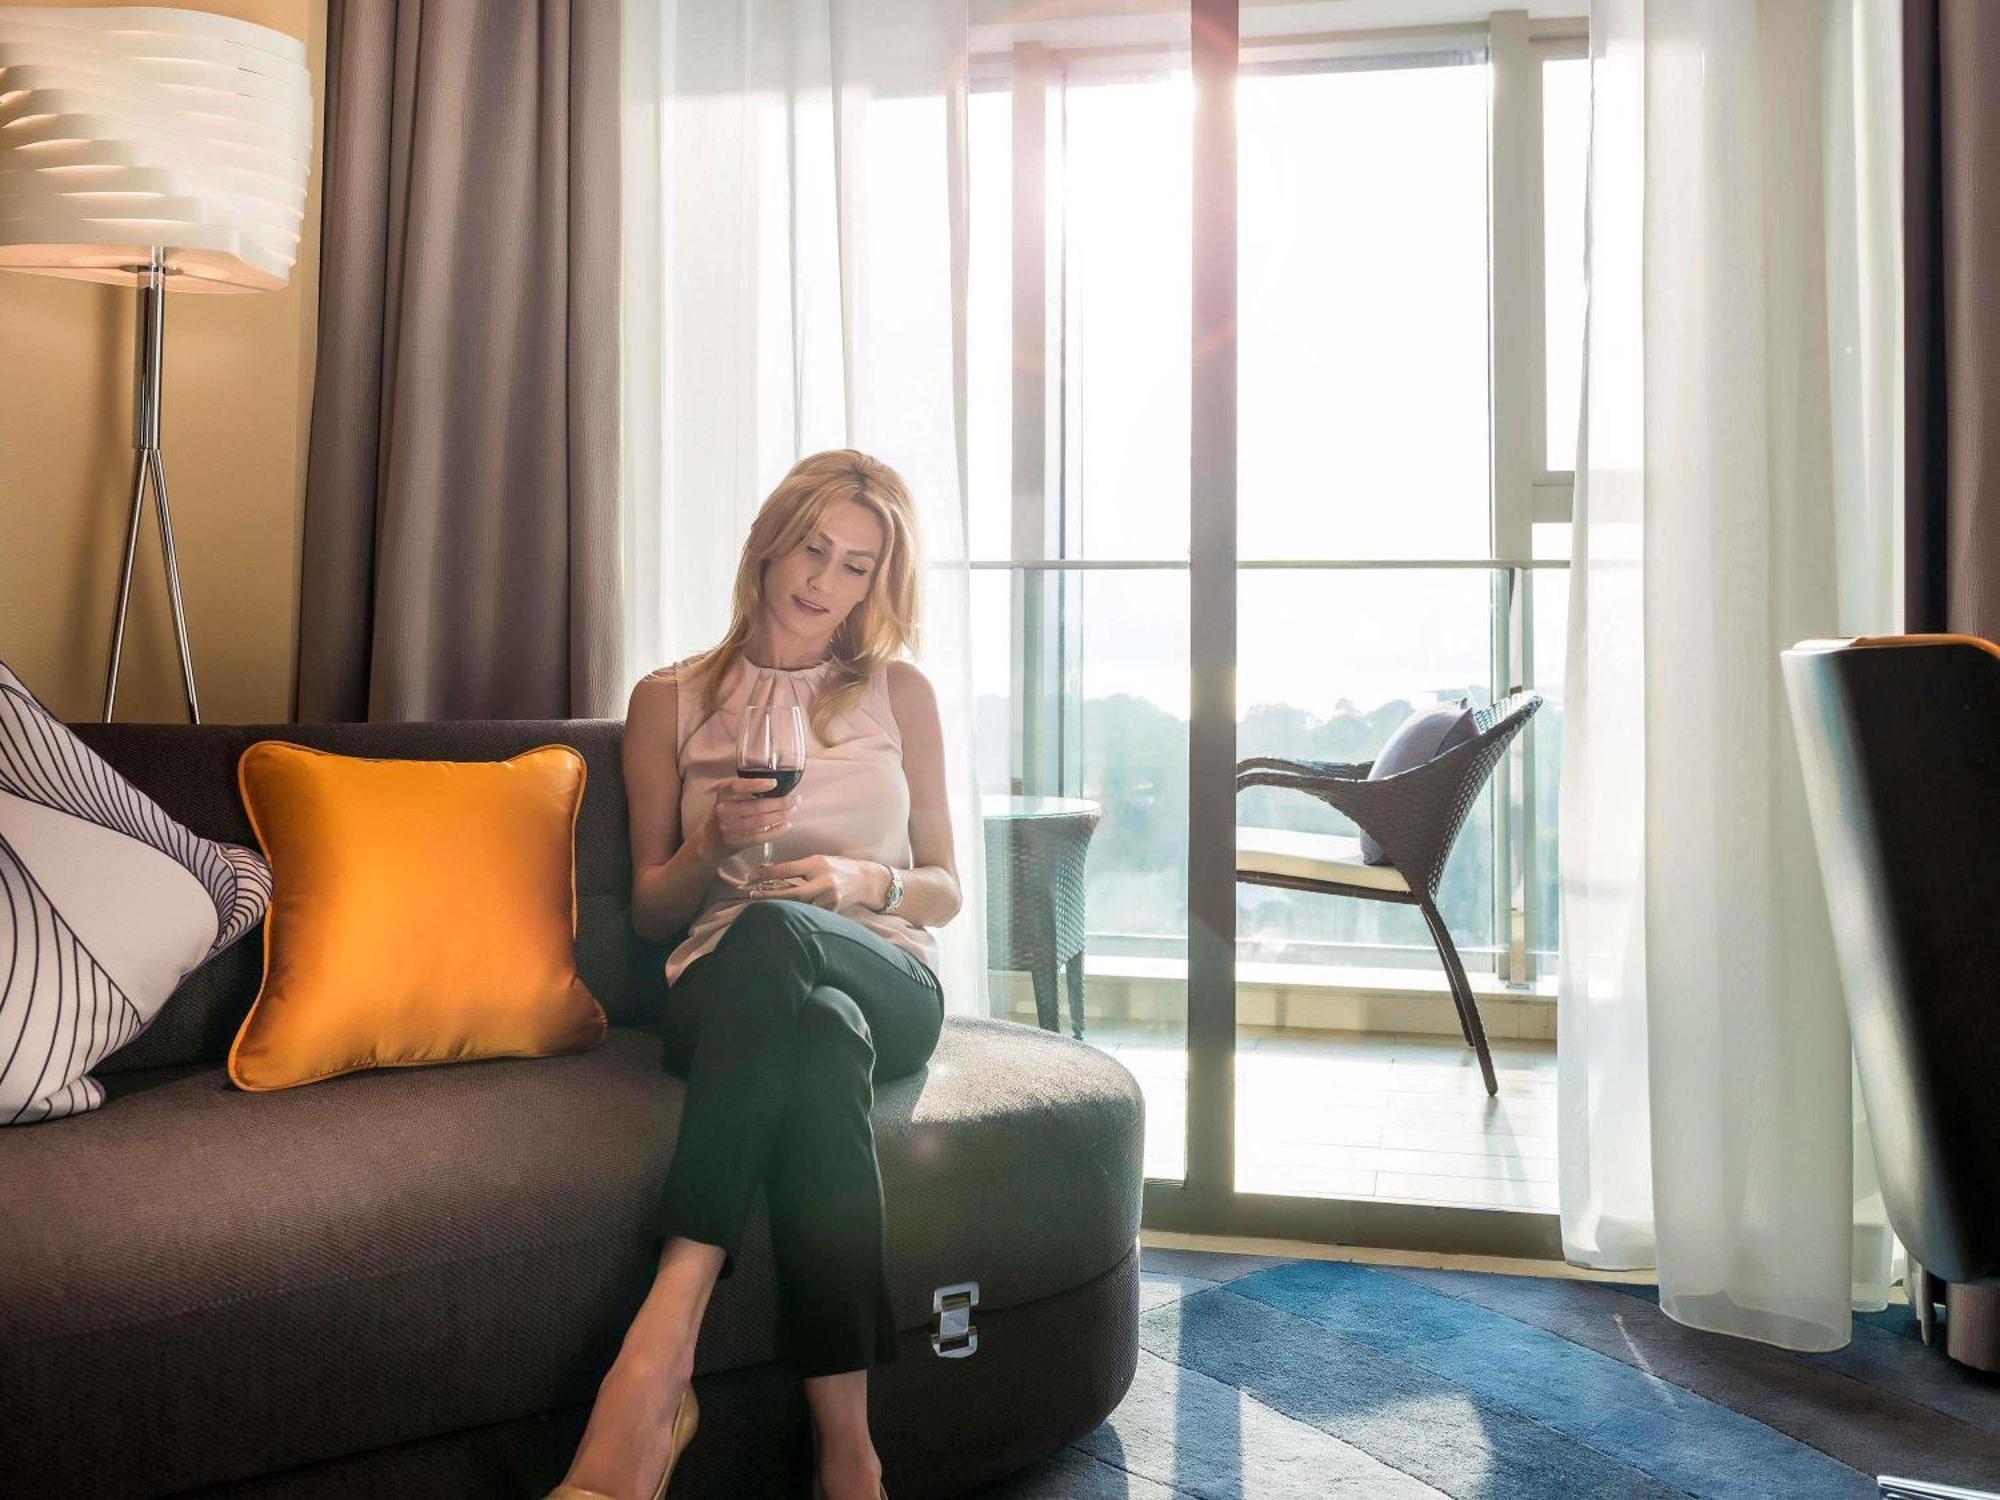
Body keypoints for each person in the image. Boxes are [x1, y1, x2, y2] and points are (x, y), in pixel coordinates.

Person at [549, 450, 960, 1500]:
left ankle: (660, 1348)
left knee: (791, 938)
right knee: (815, 1030)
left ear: (876, 584)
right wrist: (710, 845)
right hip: (721, 989)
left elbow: (945, 888)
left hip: (884, 969)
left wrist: (857, 880)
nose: (825, 581)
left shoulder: (898, 693)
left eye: (857, 566)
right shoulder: (670, 698)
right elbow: (653, 912)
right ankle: (849, 1457)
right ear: (769, 545)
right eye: (813, 549)